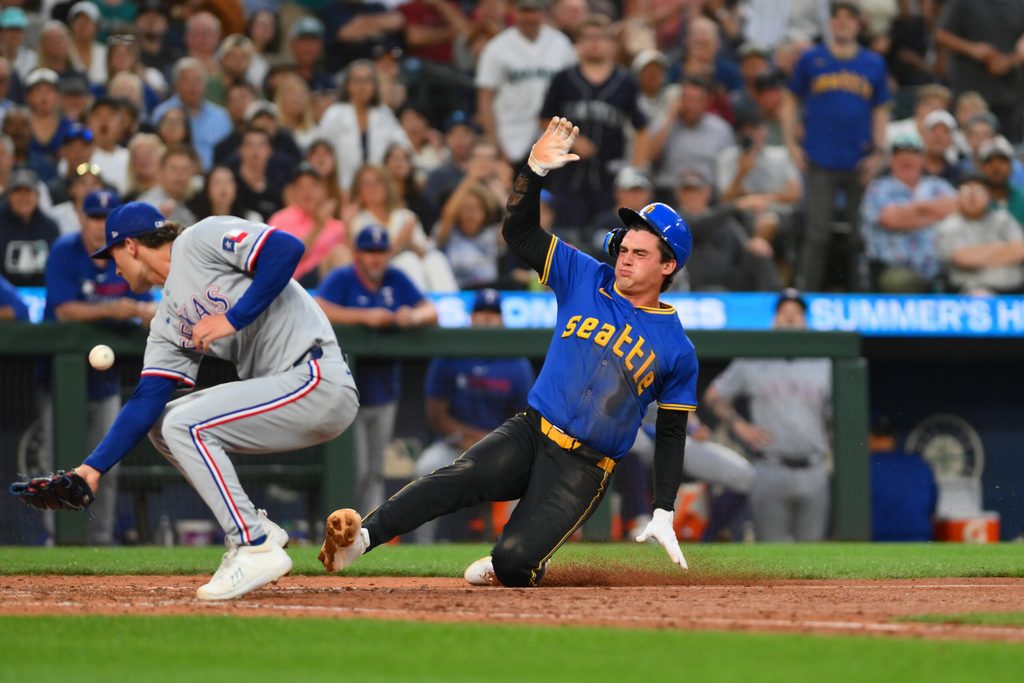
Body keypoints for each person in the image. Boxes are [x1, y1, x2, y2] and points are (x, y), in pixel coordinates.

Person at [318, 117, 698, 587]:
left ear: (667, 265)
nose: (624, 256)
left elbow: (671, 433)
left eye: (641, 253)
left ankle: (516, 560)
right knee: (455, 478)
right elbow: (519, 233)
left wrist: (663, 508)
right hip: (531, 431)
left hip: (585, 467)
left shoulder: (677, 348)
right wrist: (533, 170)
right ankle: (361, 539)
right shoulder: (586, 276)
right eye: (624, 247)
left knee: (514, 563)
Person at [42, 200, 359, 599]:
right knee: (164, 424)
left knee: (182, 424)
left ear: (133, 245)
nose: (114, 267)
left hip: (316, 376)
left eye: (115, 254)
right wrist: (92, 469)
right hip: (287, 390)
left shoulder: (199, 239)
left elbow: (286, 249)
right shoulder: (167, 322)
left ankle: (253, 545)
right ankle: (256, 530)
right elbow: (147, 398)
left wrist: (233, 318)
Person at [41, 189, 156, 546]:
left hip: (105, 382)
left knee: (107, 464)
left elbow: (147, 308)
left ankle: (100, 538)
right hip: (59, 383)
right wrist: (111, 308)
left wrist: (144, 314)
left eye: (105, 219)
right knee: (54, 460)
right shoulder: (65, 250)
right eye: (92, 217)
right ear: (80, 217)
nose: (97, 225)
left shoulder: (128, 254)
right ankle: (55, 539)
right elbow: (62, 309)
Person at [315, 225, 439, 513]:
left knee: (374, 472)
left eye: (380, 252)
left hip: (384, 391)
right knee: (352, 471)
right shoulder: (343, 278)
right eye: (369, 252)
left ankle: (366, 535)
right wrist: (364, 317)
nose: (375, 258)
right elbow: (317, 307)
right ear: (358, 254)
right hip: (346, 393)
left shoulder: (396, 279)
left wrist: (413, 315)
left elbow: (430, 310)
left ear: (388, 254)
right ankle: (338, 528)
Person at [704, 289, 832, 542]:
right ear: (774, 320)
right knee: (770, 554)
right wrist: (738, 425)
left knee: (814, 555)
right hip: (770, 466)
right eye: (784, 313)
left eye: (796, 314)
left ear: (806, 321)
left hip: (815, 467)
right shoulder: (754, 356)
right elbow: (714, 396)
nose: (790, 319)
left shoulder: (824, 359)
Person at [782, 1, 890, 291]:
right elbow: (791, 100)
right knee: (816, 232)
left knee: (860, 234)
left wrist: (879, 152)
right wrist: (792, 143)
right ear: (829, 23)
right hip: (820, 158)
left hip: (860, 158)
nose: (843, 23)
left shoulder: (873, 63)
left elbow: (881, 109)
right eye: (837, 18)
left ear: (859, 24)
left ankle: (859, 295)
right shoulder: (812, 59)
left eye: (849, 18)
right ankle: (806, 295)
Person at [415, 288, 535, 542]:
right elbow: (436, 416)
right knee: (425, 466)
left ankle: (517, 547)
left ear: (502, 320)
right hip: (456, 444)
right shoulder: (451, 354)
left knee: (532, 475)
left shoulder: (517, 362)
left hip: (501, 447)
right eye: (481, 312)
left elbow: (524, 419)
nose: (487, 318)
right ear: (471, 317)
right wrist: (473, 439)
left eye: (493, 313)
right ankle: (421, 545)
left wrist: (494, 442)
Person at [539, 14, 648, 235]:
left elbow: (642, 128)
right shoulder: (564, 79)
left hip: (609, 175)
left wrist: (634, 169)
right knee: (568, 237)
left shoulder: (625, 81)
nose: (595, 43)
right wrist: (572, 141)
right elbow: (544, 119)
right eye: (588, 37)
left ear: (611, 43)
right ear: (578, 43)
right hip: (569, 175)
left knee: (610, 238)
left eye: (600, 37)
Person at [475, 0, 576, 165]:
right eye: (524, 11)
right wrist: (494, 142)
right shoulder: (497, 47)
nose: (529, 17)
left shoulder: (561, 44)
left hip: (553, 139)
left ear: (543, 12)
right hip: (511, 138)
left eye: (534, 11)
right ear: (514, 11)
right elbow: (485, 98)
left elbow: (574, 91)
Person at [859, 134, 957, 293]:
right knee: (901, 281)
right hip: (894, 267)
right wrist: (934, 213)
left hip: (941, 267)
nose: (906, 159)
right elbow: (891, 219)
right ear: (891, 161)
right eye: (900, 155)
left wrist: (913, 210)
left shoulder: (937, 185)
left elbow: (955, 207)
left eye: (913, 154)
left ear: (922, 160)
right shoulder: (879, 188)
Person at [936, 0, 1024, 143]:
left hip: (1010, 96)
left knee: (1007, 149)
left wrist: (1010, 60)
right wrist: (972, 49)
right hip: (971, 96)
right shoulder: (962, 3)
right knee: (968, 147)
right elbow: (941, 34)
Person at [318, 59, 412, 192]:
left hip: (379, 187)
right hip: (342, 187)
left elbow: (403, 146)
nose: (361, 86)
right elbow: (322, 150)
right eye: (357, 80)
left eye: (367, 81)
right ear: (348, 85)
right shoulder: (335, 114)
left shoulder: (383, 113)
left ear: (374, 86)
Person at [935, 174, 1024, 294]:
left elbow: (1019, 250)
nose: (972, 197)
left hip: (1016, 285)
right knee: (980, 296)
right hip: (973, 288)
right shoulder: (948, 225)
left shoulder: (1004, 219)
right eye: (966, 192)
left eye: (978, 192)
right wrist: (1002, 248)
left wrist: (980, 254)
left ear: (989, 196)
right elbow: (963, 258)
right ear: (957, 197)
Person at [268, 163, 351, 287]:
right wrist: (319, 226)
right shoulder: (281, 218)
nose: (307, 192)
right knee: (338, 253)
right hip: (294, 284)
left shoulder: (336, 225)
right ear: (293, 191)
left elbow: (354, 261)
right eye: (301, 187)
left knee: (342, 253)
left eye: (312, 186)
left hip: (327, 284)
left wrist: (348, 225)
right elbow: (287, 258)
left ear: (323, 190)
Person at [869, 416, 938, 542]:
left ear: (869, 437)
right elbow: (932, 513)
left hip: (877, 543)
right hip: (921, 542)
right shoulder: (919, 464)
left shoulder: (861, 468)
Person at [0, 168, 60, 286]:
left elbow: (56, 267)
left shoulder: (49, 227)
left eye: (28, 191)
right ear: (9, 196)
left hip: (42, 293)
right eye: (18, 192)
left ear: (38, 196)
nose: (23, 197)